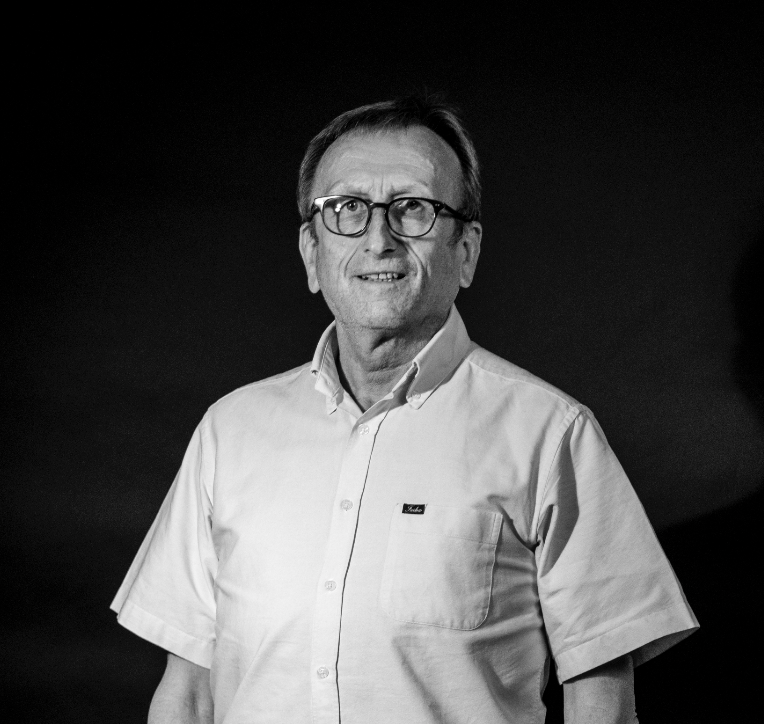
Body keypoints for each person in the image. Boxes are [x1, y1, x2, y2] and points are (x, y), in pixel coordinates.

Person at [111, 96, 698, 724]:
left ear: (466, 250)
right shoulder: (229, 432)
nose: (378, 239)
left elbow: (600, 697)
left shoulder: (551, 435)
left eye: (413, 208)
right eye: (347, 209)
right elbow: (188, 691)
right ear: (311, 252)